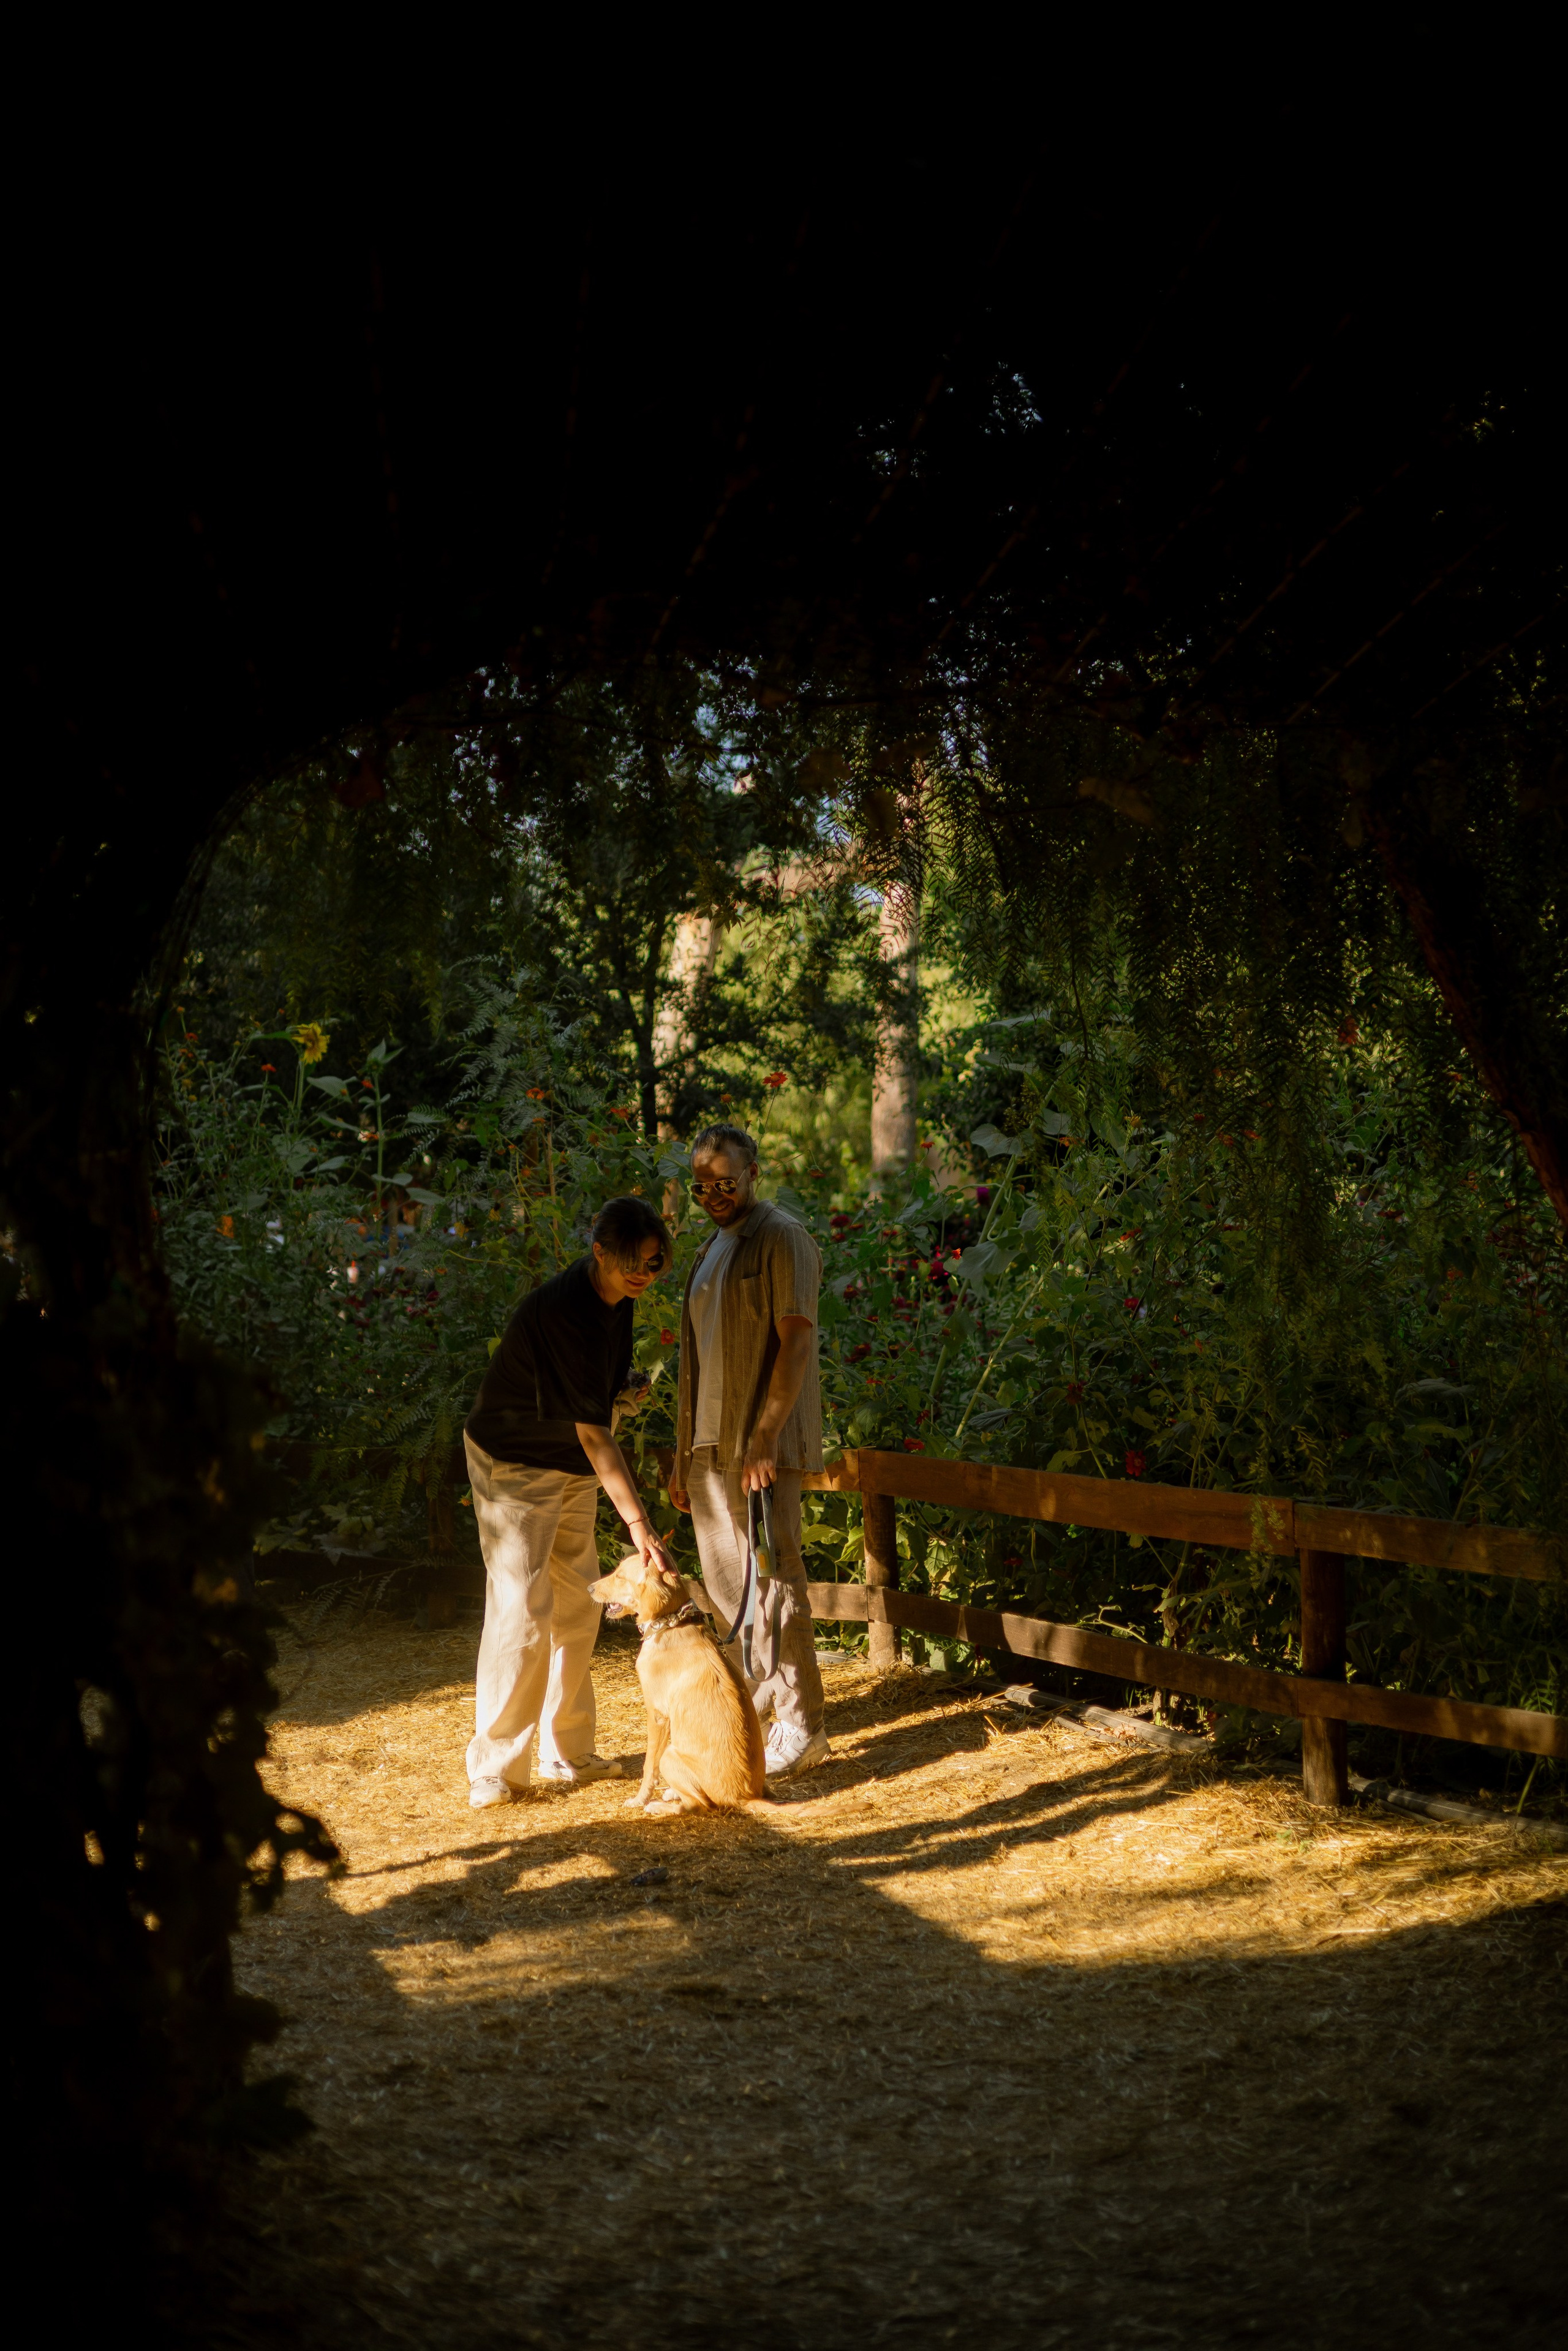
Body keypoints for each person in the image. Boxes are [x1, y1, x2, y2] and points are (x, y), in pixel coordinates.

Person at [462, 1195, 671, 1808]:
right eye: (631, 1263)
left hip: (572, 1463)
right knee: (521, 1609)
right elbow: (591, 1429)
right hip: (515, 1462)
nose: (643, 1275)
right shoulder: (560, 1309)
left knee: (580, 1605)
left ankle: (566, 1751)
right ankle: (495, 1768)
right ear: (597, 1251)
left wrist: (621, 1390)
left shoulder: (619, 1299)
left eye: (654, 1264)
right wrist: (637, 1521)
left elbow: (594, 1397)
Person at [668, 1122, 831, 1779]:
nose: (713, 1194)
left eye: (724, 1182)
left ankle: (803, 1723)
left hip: (759, 1443)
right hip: (710, 1448)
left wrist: (764, 1435)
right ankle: (760, 1710)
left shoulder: (783, 1238)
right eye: (702, 1185)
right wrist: (685, 1455)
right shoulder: (712, 1246)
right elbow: (696, 1361)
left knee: (776, 1582)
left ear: (753, 1172)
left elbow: (795, 1342)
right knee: (729, 1590)